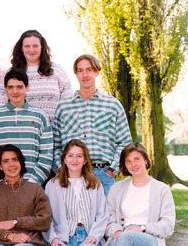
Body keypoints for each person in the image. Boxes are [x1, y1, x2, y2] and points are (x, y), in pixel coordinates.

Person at [52, 54, 132, 196]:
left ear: (97, 72)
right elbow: (55, 145)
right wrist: (60, 169)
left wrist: (112, 170)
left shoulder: (112, 105)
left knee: (106, 212)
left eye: (89, 70)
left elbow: (125, 143)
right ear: (76, 74)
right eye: (80, 70)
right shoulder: (64, 107)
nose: (85, 75)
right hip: (71, 174)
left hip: (103, 175)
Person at [0, 69, 54, 187]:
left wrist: (30, 185)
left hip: (32, 187)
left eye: (19, 87)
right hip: (2, 188)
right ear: (5, 88)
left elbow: (46, 155)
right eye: (10, 87)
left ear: (27, 87)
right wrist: (0, 185)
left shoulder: (40, 116)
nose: (15, 91)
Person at [0, 30, 72, 121]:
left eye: (35, 46)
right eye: (27, 46)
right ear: (21, 48)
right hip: (20, 129)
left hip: (53, 129)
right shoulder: (9, 74)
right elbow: (1, 108)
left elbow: (68, 107)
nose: (31, 50)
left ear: (42, 47)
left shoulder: (58, 71)